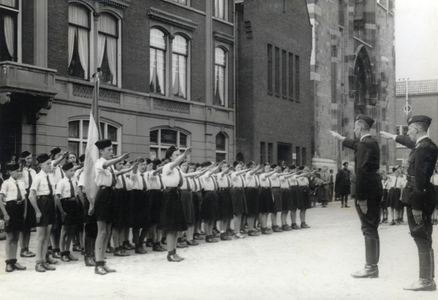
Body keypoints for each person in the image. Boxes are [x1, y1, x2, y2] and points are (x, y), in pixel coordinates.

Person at [381, 115, 438, 291]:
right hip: (420, 194)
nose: (407, 132)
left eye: (409, 129)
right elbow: (407, 141)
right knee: (423, 237)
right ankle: (428, 278)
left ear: (418, 128)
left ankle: (425, 280)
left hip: (418, 196)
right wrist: (392, 137)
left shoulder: (423, 148)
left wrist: (417, 207)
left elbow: (420, 180)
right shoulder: (425, 145)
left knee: (420, 235)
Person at [331, 114, 383, 278]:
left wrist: (361, 198)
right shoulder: (372, 143)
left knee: (367, 227)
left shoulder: (363, 145)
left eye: (355, 127)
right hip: (375, 189)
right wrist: (342, 138)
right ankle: (373, 266)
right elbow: (357, 145)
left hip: (366, 192)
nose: (354, 130)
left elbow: (360, 172)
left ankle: (370, 268)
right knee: (372, 227)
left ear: (360, 127)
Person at [93, 139, 130, 275]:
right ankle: (98, 264)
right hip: (103, 195)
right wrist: (120, 158)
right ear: (101, 151)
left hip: (111, 194)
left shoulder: (110, 167)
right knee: (101, 232)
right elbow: (105, 164)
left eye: (112, 149)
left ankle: (102, 262)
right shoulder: (99, 163)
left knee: (108, 232)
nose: (111, 151)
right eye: (109, 150)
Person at [158, 145, 191, 262]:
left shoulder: (177, 169)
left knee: (176, 227)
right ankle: (170, 253)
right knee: (171, 227)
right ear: (170, 157)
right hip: (170, 195)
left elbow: (185, 176)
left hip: (177, 194)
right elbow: (175, 163)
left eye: (179, 154)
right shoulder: (168, 166)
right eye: (176, 154)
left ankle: (174, 252)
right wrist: (184, 155)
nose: (179, 156)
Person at [29, 153, 58, 272]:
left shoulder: (50, 176)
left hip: (50, 204)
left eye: (50, 163)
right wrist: (37, 211)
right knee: (40, 237)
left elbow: (55, 194)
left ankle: (44, 261)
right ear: (41, 165)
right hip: (42, 204)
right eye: (47, 163)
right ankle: (38, 263)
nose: (50, 165)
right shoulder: (38, 177)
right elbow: (31, 196)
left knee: (47, 236)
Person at [0, 163, 27, 272]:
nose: (19, 173)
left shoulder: (21, 183)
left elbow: (24, 199)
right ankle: (8, 262)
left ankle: (14, 260)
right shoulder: (6, 183)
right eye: (16, 171)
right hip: (11, 209)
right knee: (10, 237)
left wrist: (24, 212)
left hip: (19, 209)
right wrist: (5, 214)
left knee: (16, 237)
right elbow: (0, 200)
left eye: (19, 170)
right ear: (10, 172)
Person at [55, 162, 80, 262]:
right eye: (70, 171)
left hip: (73, 205)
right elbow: (57, 197)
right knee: (64, 230)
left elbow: (76, 195)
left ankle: (67, 251)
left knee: (71, 230)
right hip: (65, 205)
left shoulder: (74, 182)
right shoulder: (61, 182)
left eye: (73, 170)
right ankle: (62, 253)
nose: (72, 172)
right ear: (65, 171)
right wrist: (61, 211)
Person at [18, 151, 37, 258]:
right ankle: (22, 249)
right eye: (27, 158)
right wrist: (21, 164)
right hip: (24, 197)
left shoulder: (33, 172)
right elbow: (20, 179)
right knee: (23, 226)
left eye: (30, 158)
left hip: (32, 197)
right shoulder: (21, 171)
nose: (29, 160)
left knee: (29, 226)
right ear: (23, 159)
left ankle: (27, 248)